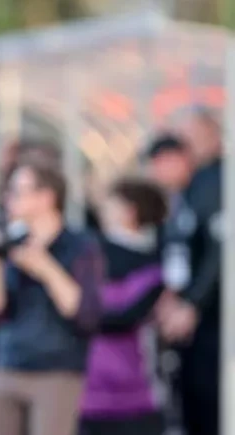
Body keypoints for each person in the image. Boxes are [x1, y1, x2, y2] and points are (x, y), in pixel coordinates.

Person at [0, 159, 103, 435]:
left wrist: (44, 267)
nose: (9, 198)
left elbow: (85, 313)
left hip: (57, 370)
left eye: (18, 191)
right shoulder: (9, 245)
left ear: (46, 197)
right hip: (7, 364)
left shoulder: (80, 246)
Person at [153, 107, 223, 435]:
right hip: (191, 318)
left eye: (192, 136)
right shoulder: (188, 189)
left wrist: (192, 303)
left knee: (211, 402)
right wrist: (172, 296)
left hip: (215, 318)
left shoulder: (218, 181)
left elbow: (220, 250)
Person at [79, 177, 168, 435]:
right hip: (90, 394)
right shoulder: (89, 254)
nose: (103, 211)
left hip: (134, 394)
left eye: (110, 204)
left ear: (130, 211)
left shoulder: (150, 266)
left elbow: (121, 316)